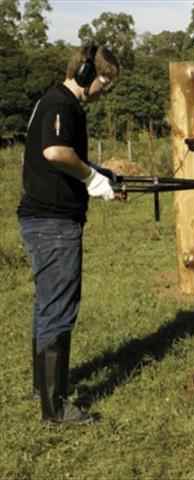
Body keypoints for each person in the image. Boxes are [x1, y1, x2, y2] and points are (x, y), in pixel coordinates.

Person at [17, 45, 120, 423]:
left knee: (48, 304)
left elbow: (66, 157)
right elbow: (57, 152)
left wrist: (100, 174)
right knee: (59, 307)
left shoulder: (54, 102)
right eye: (104, 82)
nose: (103, 91)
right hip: (53, 223)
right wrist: (91, 178)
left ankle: (42, 390)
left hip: (44, 220)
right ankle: (56, 408)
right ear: (86, 73)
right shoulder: (61, 104)